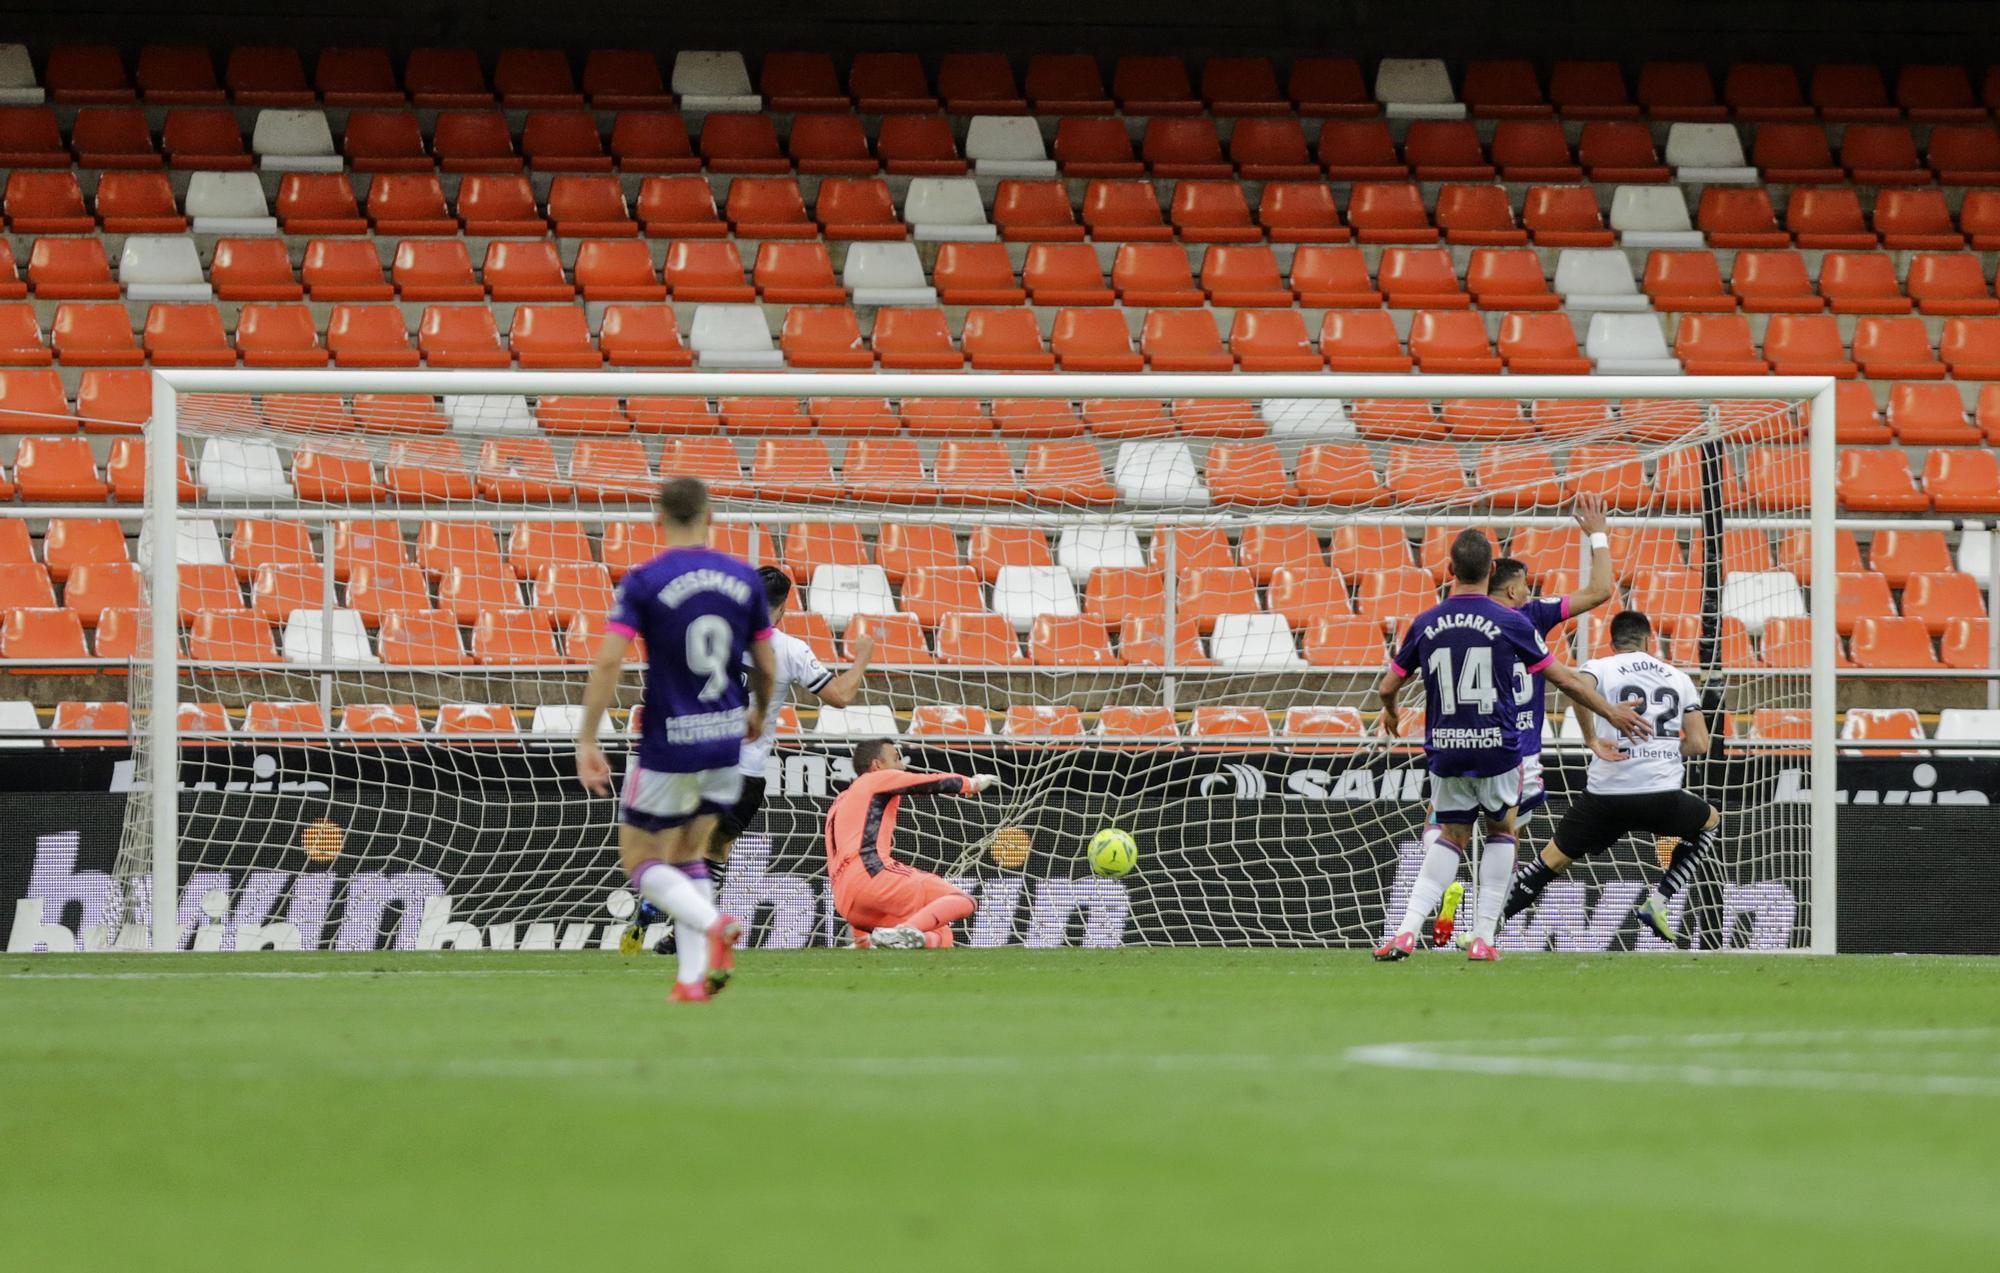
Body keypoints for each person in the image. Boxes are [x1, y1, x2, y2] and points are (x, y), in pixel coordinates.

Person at [1373, 529, 1652, 963]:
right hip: (1502, 750)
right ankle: (1484, 936)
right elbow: (1564, 678)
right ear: (1492, 574)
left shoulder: (1426, 622)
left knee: (1449, 836)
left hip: (1446, 747)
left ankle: (1407, 931)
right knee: (1502, 832)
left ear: (1449, 571)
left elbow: (1388, 686)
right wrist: (1610, 715)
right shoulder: (1515, 621)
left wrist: (1391, 712)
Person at [577, 477, 776, 1003]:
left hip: (668, 741)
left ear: (656, 519)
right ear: (710, 517)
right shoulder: (743, 578)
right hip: (724, 742)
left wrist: (587, 739)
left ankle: (713, 922)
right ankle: (691, 981)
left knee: (642, 864)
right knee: (691, 855)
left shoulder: (643, 581)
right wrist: (756, 710)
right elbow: (767, 663)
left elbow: (608, 661)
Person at [621, 565, 874, 955]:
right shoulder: (790, 649)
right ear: (784, 607)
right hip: (746, 772)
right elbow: (840, 696)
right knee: (714, 850)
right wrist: (861, 658)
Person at [1501, 609, 1720, 947]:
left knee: (1549, 863)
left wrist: (1591, 738)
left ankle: (1483, 929)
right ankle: (1658, 901)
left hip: (1605, 798)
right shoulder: (1678, 678)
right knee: (1710, 822)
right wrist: (1661, 751)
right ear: (1649, 640)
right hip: (1660, 796)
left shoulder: (1599, 667)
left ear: (1612, 641)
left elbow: (1575, 690)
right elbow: (1700, 743)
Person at [826, 739, 995, 949]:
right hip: (872, 876)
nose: (902, 766)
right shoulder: (874, 779)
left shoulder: (840, 801)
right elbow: (923, 782)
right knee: (962, 900)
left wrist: (859, 933)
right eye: (896, 759)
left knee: (943, 934)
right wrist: (971, 784)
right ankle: (902, 933)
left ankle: (867, 942)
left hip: (845, 899)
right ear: (877, 765)